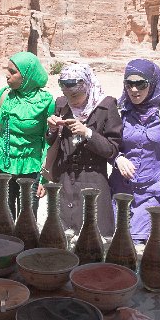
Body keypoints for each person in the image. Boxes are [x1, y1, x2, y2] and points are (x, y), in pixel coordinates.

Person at [40, 63, 122, 237]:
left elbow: (112, 150)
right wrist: (52, 129)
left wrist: (89, 134)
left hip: (93, 181)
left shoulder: (106, 106)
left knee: (94, 239)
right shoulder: (61, 104)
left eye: (75, 95)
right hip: (65, 180)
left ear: (87, 86)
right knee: (63, 237)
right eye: (67, 94)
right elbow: (53, 141)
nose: (71, 99)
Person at [109, 58, 160, 243]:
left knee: (141, 246)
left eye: (140, 84)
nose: (134, 90)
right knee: (117, 243)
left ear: (152, 83)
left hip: (151, 190)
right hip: (120, 191)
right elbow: (108, 145)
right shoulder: (119, 111)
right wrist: (118, 158)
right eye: (129, 84)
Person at [0, 52, 55, 218]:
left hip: (31, 168)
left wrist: (44, 178)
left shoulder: (47, 102)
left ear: (28, 75)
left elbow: (48, 141)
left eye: (13, 72)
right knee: (3, 218)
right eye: (7, 70)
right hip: (1, 165)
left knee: (28, 219)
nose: (7, 75)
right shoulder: (3, 95)